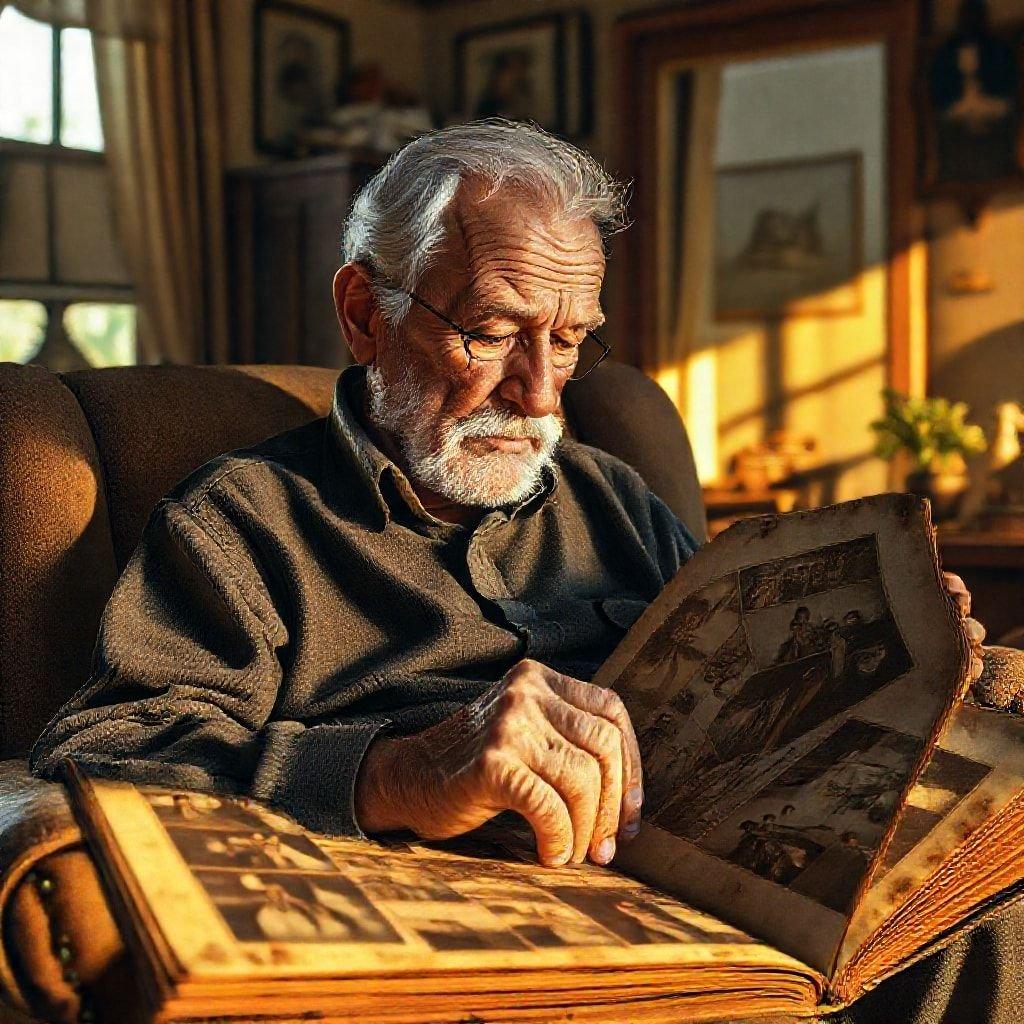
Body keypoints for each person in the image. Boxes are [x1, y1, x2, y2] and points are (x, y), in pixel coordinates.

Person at [28, 120, 986, 879]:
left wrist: (899, 661)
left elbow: (738, 688)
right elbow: (104, 746)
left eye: (569, 340)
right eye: (492, 331)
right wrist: (395, 772)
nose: (539, 393)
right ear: (367, 314)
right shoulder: (244, 522)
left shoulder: (612, 496)